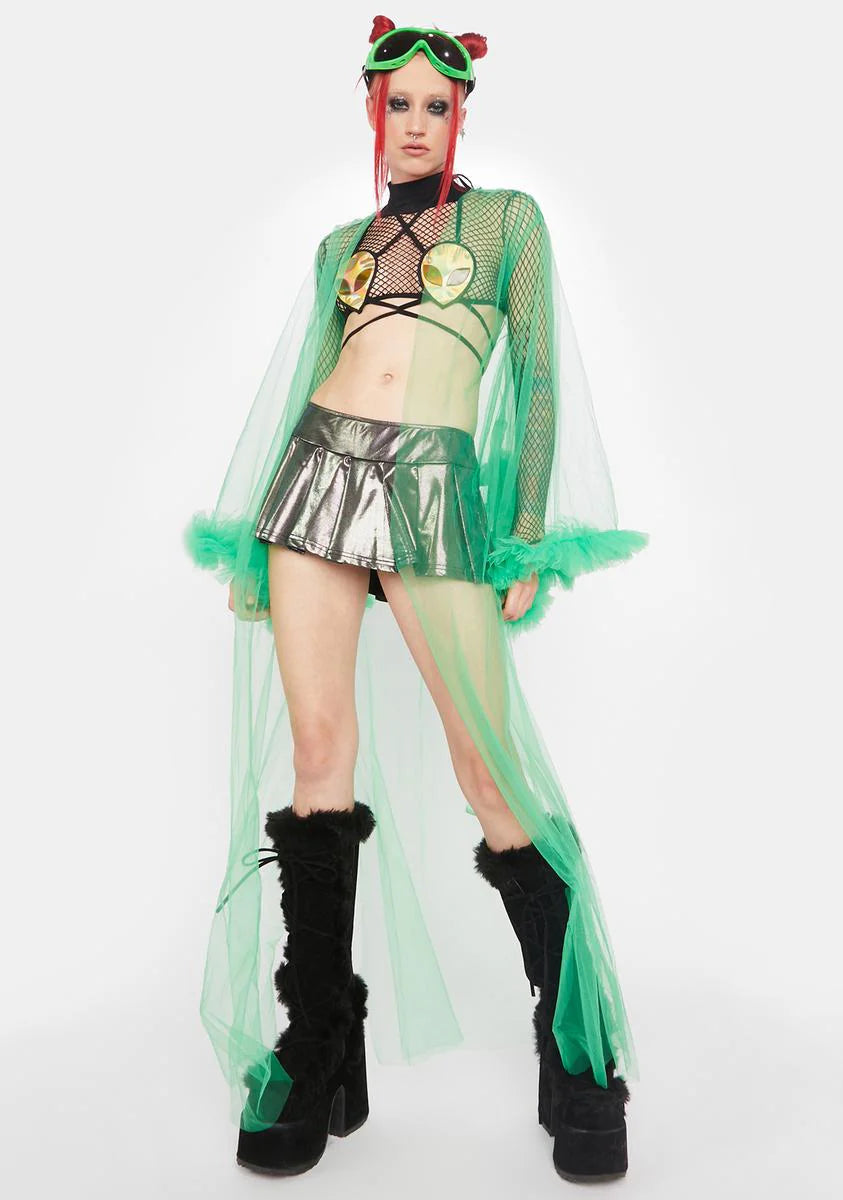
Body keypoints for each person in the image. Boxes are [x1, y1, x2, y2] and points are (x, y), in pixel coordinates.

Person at [183, 15, 649, 1183]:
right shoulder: (340, 245)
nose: (415, 123)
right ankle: (320, 1041)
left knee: (488, 765)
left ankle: (575, 1048)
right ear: (372, 110)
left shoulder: (506, 223)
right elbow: (311, 378)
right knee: (319, 754)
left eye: (437, 106)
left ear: (461, 117)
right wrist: (257, 550)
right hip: (315, 474)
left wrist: (526, 530)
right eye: (398, 104)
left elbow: (536, 378)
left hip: (436, 484)